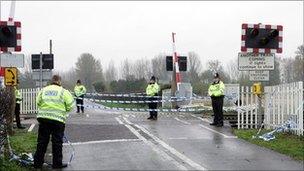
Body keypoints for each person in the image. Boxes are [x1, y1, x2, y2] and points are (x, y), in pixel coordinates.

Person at [33, 75, 74, 169]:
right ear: (59, 82)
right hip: (58, 120)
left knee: (42, 142)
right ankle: (57, 164)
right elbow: (71, 105)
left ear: (52, 81)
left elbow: (38, 102)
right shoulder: (63, 91)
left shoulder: (44, 90)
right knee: (57, 142)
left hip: (44, 119)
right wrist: (65, 110)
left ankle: (37, 164)